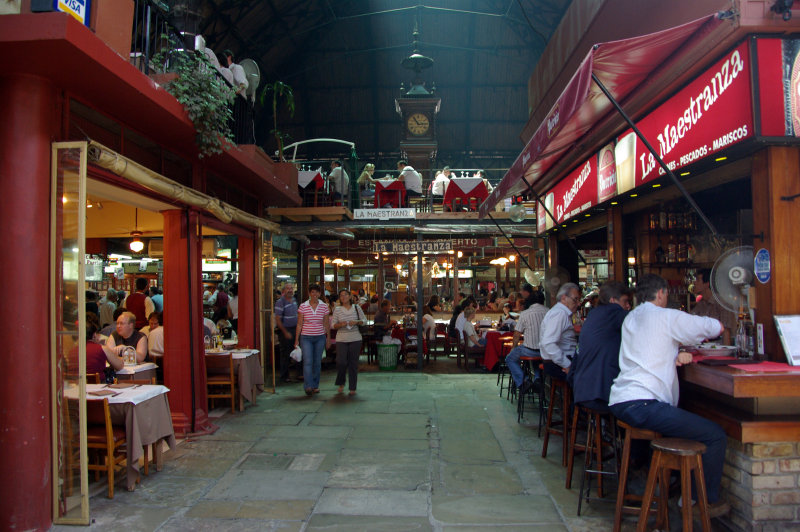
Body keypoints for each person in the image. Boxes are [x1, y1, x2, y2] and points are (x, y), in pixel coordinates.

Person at [609, 273, 729, 517]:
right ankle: (698, 502)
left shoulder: (631, 317)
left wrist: (675, 354)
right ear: (662, 293)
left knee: (683, 426)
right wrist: (722, 324)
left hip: (622, 400)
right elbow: (713, 327)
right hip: (645, 404)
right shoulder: (665, 316)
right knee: (715, 435)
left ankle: (677, 488)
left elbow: (651, 348)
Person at [568, 282, 630, 411]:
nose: (628, 306)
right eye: (625, 301)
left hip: (581, 389)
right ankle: (621, 431)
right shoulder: (615, 312)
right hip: (599, 394)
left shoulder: (594, 314)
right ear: (613, 301)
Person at [505, 290, 548, 392]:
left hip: (528, 350)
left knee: (510, 359)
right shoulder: (549, 311)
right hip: (545, 351)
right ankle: (537, 379)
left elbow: (516, 334)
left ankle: (524, 381)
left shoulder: (525, 313)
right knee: (537, 359)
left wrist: (513, 348)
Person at [539, 282, 581, 379]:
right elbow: (548, 343)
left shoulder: (559, 312)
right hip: (557, 364)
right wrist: (567, 365)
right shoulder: (560, 314)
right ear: (563, 298)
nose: (578, 303)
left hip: (557, 362)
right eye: (575, 299)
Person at [295, 284, 331, 396]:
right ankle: (308, 386)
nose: (314, 294)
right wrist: (296, 339)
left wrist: (328, 338)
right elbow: (299, 324)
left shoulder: (324, 306)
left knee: (317, 362)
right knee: (308, 361)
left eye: (317, 292)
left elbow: (326, 324)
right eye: (312, 292)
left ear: (320, 294)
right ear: (309, 294)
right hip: (306, 337)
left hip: (320, 337)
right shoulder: (303, 306)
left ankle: (315, 385)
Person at [330, 289, 364, 395]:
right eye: (341, 295)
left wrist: (357, 322)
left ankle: (352, 387)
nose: (343, 297)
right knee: (341, 361)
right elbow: (333, 325)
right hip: (341, 339)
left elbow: (364, 320)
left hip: (355, 338)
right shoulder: (337, 309)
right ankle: (341, 382)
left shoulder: (357, 308)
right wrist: (341, 325)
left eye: (345, 295)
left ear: (350, 297)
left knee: (353, 363)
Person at [69, 312, 124, 377]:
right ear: (94, 334)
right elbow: (120, 366)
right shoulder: (102, 348)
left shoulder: (72, 351)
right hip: (98, 384)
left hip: (78, 385)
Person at [692, 268, 737, 345]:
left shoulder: (722, 303)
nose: (694, 282)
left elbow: (726, 332)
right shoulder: (701, 304)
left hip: (719, 348)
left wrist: (725, 354)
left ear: (707, 284)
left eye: (698, 280)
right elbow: (691, 323)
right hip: (703, 347)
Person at [275, 283, 298, 383]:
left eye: (291, 288)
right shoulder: (280, 302)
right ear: (283, 290)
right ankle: (284, 376)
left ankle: (298, 374)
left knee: (297, 352)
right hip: (285, 330)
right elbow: (278, 319)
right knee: (285, 354)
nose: (290, 290)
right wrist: (284, 332)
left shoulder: (294, 300)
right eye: (288, 288)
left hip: (295, 329)